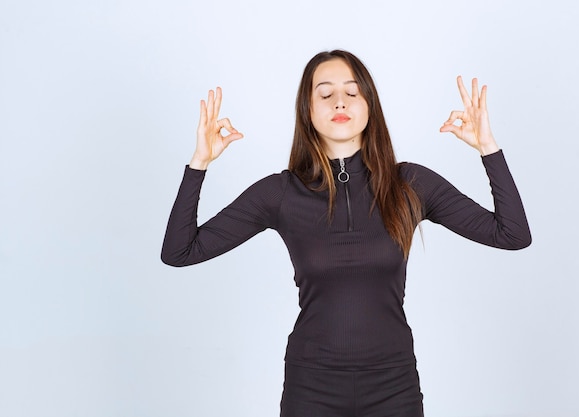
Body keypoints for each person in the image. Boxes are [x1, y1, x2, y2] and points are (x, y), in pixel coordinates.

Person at [161, 50, 531, 417]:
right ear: (308, 110)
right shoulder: (281, 193)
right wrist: (199, 164)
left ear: (370, 106)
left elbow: (512, 234)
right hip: (312, 388)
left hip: (394, 386)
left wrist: (488, 148)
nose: (340, 101)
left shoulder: (410, 184)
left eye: (353, 92)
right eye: (325, 94)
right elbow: (180, 251)